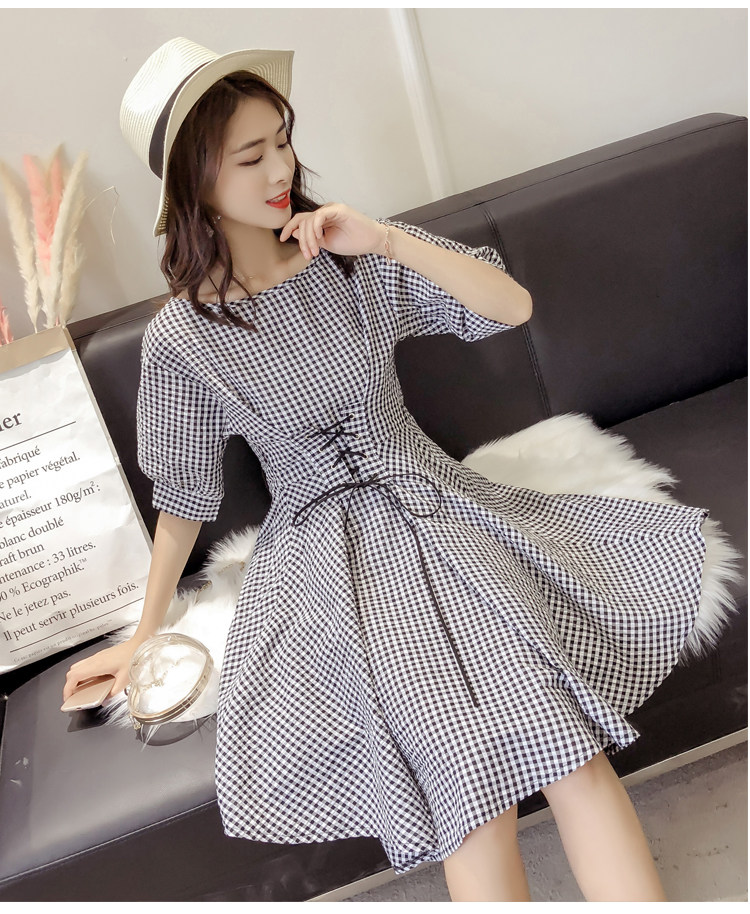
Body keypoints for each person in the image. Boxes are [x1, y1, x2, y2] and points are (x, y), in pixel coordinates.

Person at [61, 37, 719, 902]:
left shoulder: (349, 257)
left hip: (442, 505)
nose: (281, 170)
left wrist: (385, 239)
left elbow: (510, 306)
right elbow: (183, 498)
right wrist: (145, 634)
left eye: (283, 142)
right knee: (469, 794)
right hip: (326, 561)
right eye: (251, 156)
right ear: (195, 182)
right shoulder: (184, 339)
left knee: (570, 749)